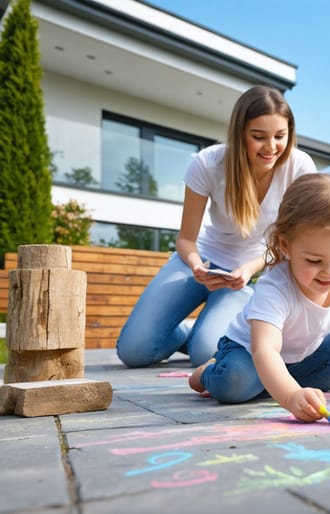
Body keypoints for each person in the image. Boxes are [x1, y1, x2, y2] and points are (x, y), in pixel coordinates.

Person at [117, 85, 317, 368]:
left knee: (206, 354)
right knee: (133, 351)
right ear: (239, 134)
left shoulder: (300, 168)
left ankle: (199, 335)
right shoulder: (207, 164)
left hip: (249, 275)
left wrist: (249, 269)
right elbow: (186, 239)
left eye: (280, 136)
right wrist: (197, 266)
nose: (271, 147)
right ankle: (188, 332)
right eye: (258, 137)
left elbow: (294, 244)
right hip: (199, 263)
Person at [189, 173, 330, 419]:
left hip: (296, 358)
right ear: (285, 245)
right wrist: (291, 396)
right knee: (235, 383)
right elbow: (266, 350)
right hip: (247, 353)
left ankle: (271, 384)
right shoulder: (275, 287)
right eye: (315, 260)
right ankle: (208, 372)